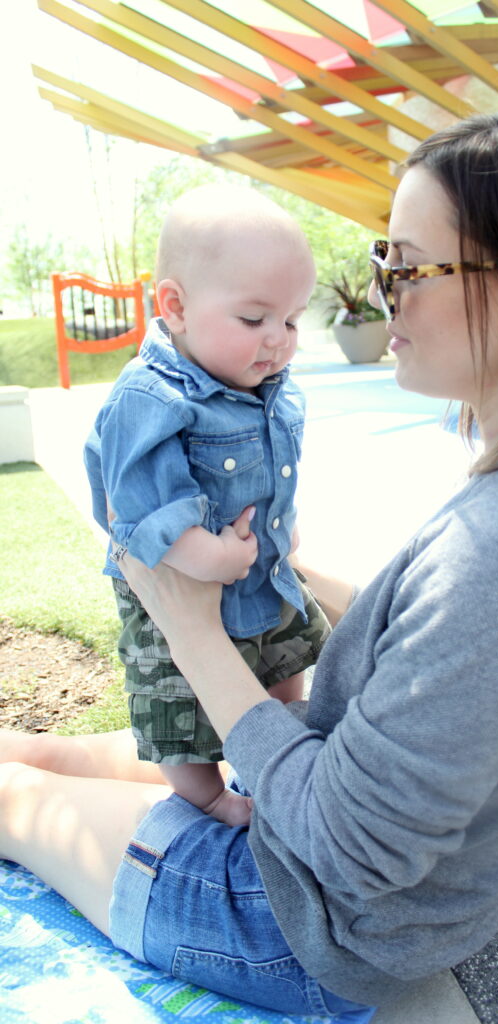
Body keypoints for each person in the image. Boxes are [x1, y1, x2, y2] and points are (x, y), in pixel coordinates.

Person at [1, 109, 498, 1019]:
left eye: (407, 265)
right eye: (380, 262)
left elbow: (341, 845)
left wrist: (189, 626)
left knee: (13, 795)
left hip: (299, 922)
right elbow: (444, 662)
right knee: (37, 753)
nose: (381, 295)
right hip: (335, 865)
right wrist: (279, 569)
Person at [82, 184, 330, 826]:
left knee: (284, 664)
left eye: (293, 319)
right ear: (176, 306)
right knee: (179, 709)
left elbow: (273, 464)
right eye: (255, 319)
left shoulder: (263, 381)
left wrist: (285, 521)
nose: (278, 339)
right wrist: (205, 553)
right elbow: (135, 509)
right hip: (183, 594)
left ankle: (275, 746)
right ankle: (207, 796)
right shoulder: (152, 398)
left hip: (261, 577)